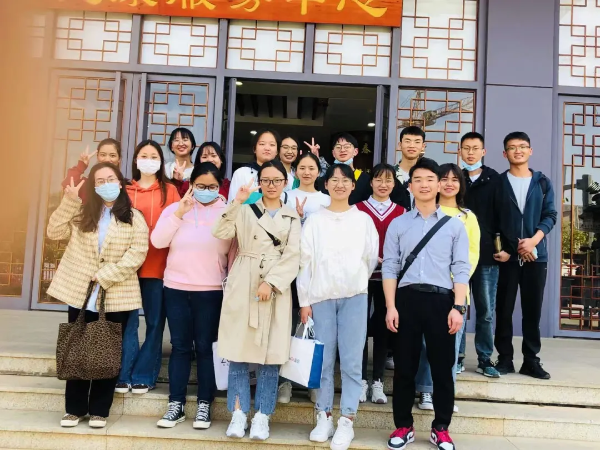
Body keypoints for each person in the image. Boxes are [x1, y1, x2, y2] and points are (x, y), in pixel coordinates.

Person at [47, 162, 149, 429]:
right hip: (80, 292)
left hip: (115, 293)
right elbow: (54, 232)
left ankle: (99, 410)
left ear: (120, 183)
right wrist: (69, 201)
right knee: (78, 349)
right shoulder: (82, 213)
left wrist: (107, 274)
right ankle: (74, 409)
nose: (106, 184)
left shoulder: (134, 217)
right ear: (93, 186)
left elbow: (137, 253)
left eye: (110, 179)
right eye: (100, 181)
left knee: (107, 353)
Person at [382, 157, 470, 450]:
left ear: (439, 185)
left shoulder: (455, 226)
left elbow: (461, 268)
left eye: (430, 179)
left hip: (441, 301)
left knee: (442, 369)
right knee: (404, 367)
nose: (424, 185)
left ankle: (441, 427)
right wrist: (391, 306)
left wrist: (458, 307)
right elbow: (390, 266)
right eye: (417, 179)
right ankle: (403, 426)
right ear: (410, 186)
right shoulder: (398, 224)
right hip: (406, 300)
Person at [213, 160, 301, 441]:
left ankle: (263, 415)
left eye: (277, 180)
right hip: (244, 280)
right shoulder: (244, 209)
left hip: (275, 287)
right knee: (238, 350)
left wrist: (271, 282)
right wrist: (237, 202)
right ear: (259, 182)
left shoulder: (291, 217)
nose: (271, 185)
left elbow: (293, 256)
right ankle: (238, 413)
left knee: (271, 355)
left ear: (285, 183)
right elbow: (221, 232)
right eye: (266, 180)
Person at [297, 164, 379, 450]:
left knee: (352, 361)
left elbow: (370, 258)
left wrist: (354, 280)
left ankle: (347, 420)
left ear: (353, 186)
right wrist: (304, 301)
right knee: (323, 361)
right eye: (334, 180)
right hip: (320, 297)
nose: (340, 184)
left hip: (354, 295)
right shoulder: (315, 221)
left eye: (345, 180)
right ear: (326, 184)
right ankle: (324, 416)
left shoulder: (363, 220)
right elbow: (305, 262)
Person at [151, 162, 236, 429]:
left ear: (220, 186)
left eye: (212, 186)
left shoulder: (228, 212)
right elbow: (158, 241)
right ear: (191, 185)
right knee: (180, 347)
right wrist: (179, 212)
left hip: (210, 290)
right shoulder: (175, 209)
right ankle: (175, 404)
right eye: (200, 186)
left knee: (205, 347)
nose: (206, 191)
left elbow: (232, 251)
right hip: (176, 288)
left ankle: (204, 404)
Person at [115, 140, 180, 395]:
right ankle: (123, 374)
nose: (149, 160)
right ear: (135, 159)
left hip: (158, 267)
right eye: (144, 155)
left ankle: (144, 375)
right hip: (127, 268)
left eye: (154, 156)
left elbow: (178, 225)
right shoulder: (123, 190)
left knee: (154, 323)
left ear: (161, 162)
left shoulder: (170, 191)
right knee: (127, 323)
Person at [414, 163, 480, 413]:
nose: (449, 183)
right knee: (425, 344)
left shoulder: (468, 217)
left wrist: (455, 281)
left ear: (461, 185)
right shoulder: (424, 213)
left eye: (455, 179)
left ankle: (446, 393)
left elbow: (472, 254)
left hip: (456, 292)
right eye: (444, 179)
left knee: (450, 346)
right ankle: (426, 390)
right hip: (428, 288)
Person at [492, 132, 557, 379]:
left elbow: (550, 215)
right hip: (507, 258)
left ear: (530, 151)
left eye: (522, 146)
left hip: (536, 257)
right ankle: (505, 359)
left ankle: (531, 360)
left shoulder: (542, 182)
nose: (517, 151)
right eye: (512, 147)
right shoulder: (498, 183)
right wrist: (506, 249)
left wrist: (533, 242)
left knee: (532, 311)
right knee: (503, 310)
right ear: (504, 153)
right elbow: (492, 220)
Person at [277, 151, 331, 405]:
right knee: (287, 325)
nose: (307, 172)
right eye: (302, 168)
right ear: (295, 171)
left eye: (312, 168)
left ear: (319, 172)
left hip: (318, 269)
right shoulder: (286, 196)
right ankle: (285, 382)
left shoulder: (326, 199)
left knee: (317, 326)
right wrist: (297, 219)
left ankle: (313, 381)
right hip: (289, 267)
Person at [356, 163, 406, 406]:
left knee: (383, 329)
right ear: (371, 183)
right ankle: (360, 381)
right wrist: (369, 256)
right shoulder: (358, 210)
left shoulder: (402, 212)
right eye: (378, 179)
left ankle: (377, 381)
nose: (383, 184)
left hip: (389, 279)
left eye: (388, 180)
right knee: (359, 329)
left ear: (394, 184)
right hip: (361, 278)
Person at [460, 132, 501, 378]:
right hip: (459, 257)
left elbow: (503, 215)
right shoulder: (455, 178)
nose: (471, 152)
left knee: (485, 312)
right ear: (460, 151)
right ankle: (457, 357)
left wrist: (502, 248)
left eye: (475, 148)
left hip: (486, 256)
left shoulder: (495, 179)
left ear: (483, 152)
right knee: (458, 308)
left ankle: (485, 358)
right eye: (466, 148)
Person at [317, 133, 371, 205]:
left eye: (347, 147)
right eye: (338, 147)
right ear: (333, 153)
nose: (342, 150)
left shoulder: (365, 179)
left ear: (355, 151)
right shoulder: (326, 178)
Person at [227, 128, 279, 203]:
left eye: (272, 145)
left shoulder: (282, 175)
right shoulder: (241, 173)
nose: (267, 148)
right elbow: (232, 204)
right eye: (262, 144)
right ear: (254, 149)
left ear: (277, 151)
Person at [391, 126, 426, 210]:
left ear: (423, 146)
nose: (412, 146)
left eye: (417, 142)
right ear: (400, 145)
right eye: (407, 141)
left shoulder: (429, 176)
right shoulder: (390, 174)